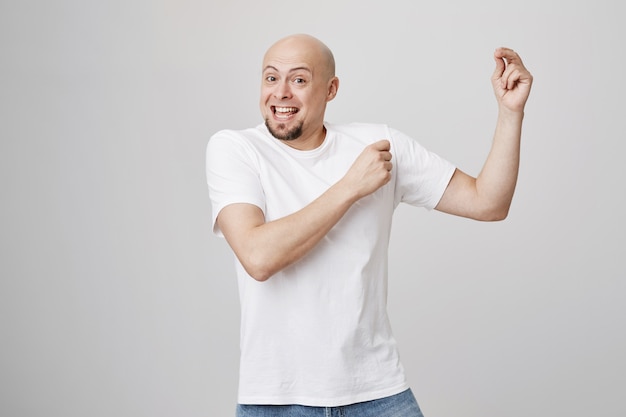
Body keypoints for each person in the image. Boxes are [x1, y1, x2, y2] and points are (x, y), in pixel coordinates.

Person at [206, 33, 532, 417]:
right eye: (270, 77)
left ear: (331, 89)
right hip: (277, 399)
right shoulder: (236, 149)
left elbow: (488, 202)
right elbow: (258, 256)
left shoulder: (379, 145)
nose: (281, 93)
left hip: (377, 393)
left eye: (298, 79)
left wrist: (511, 112)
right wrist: (350, 187)